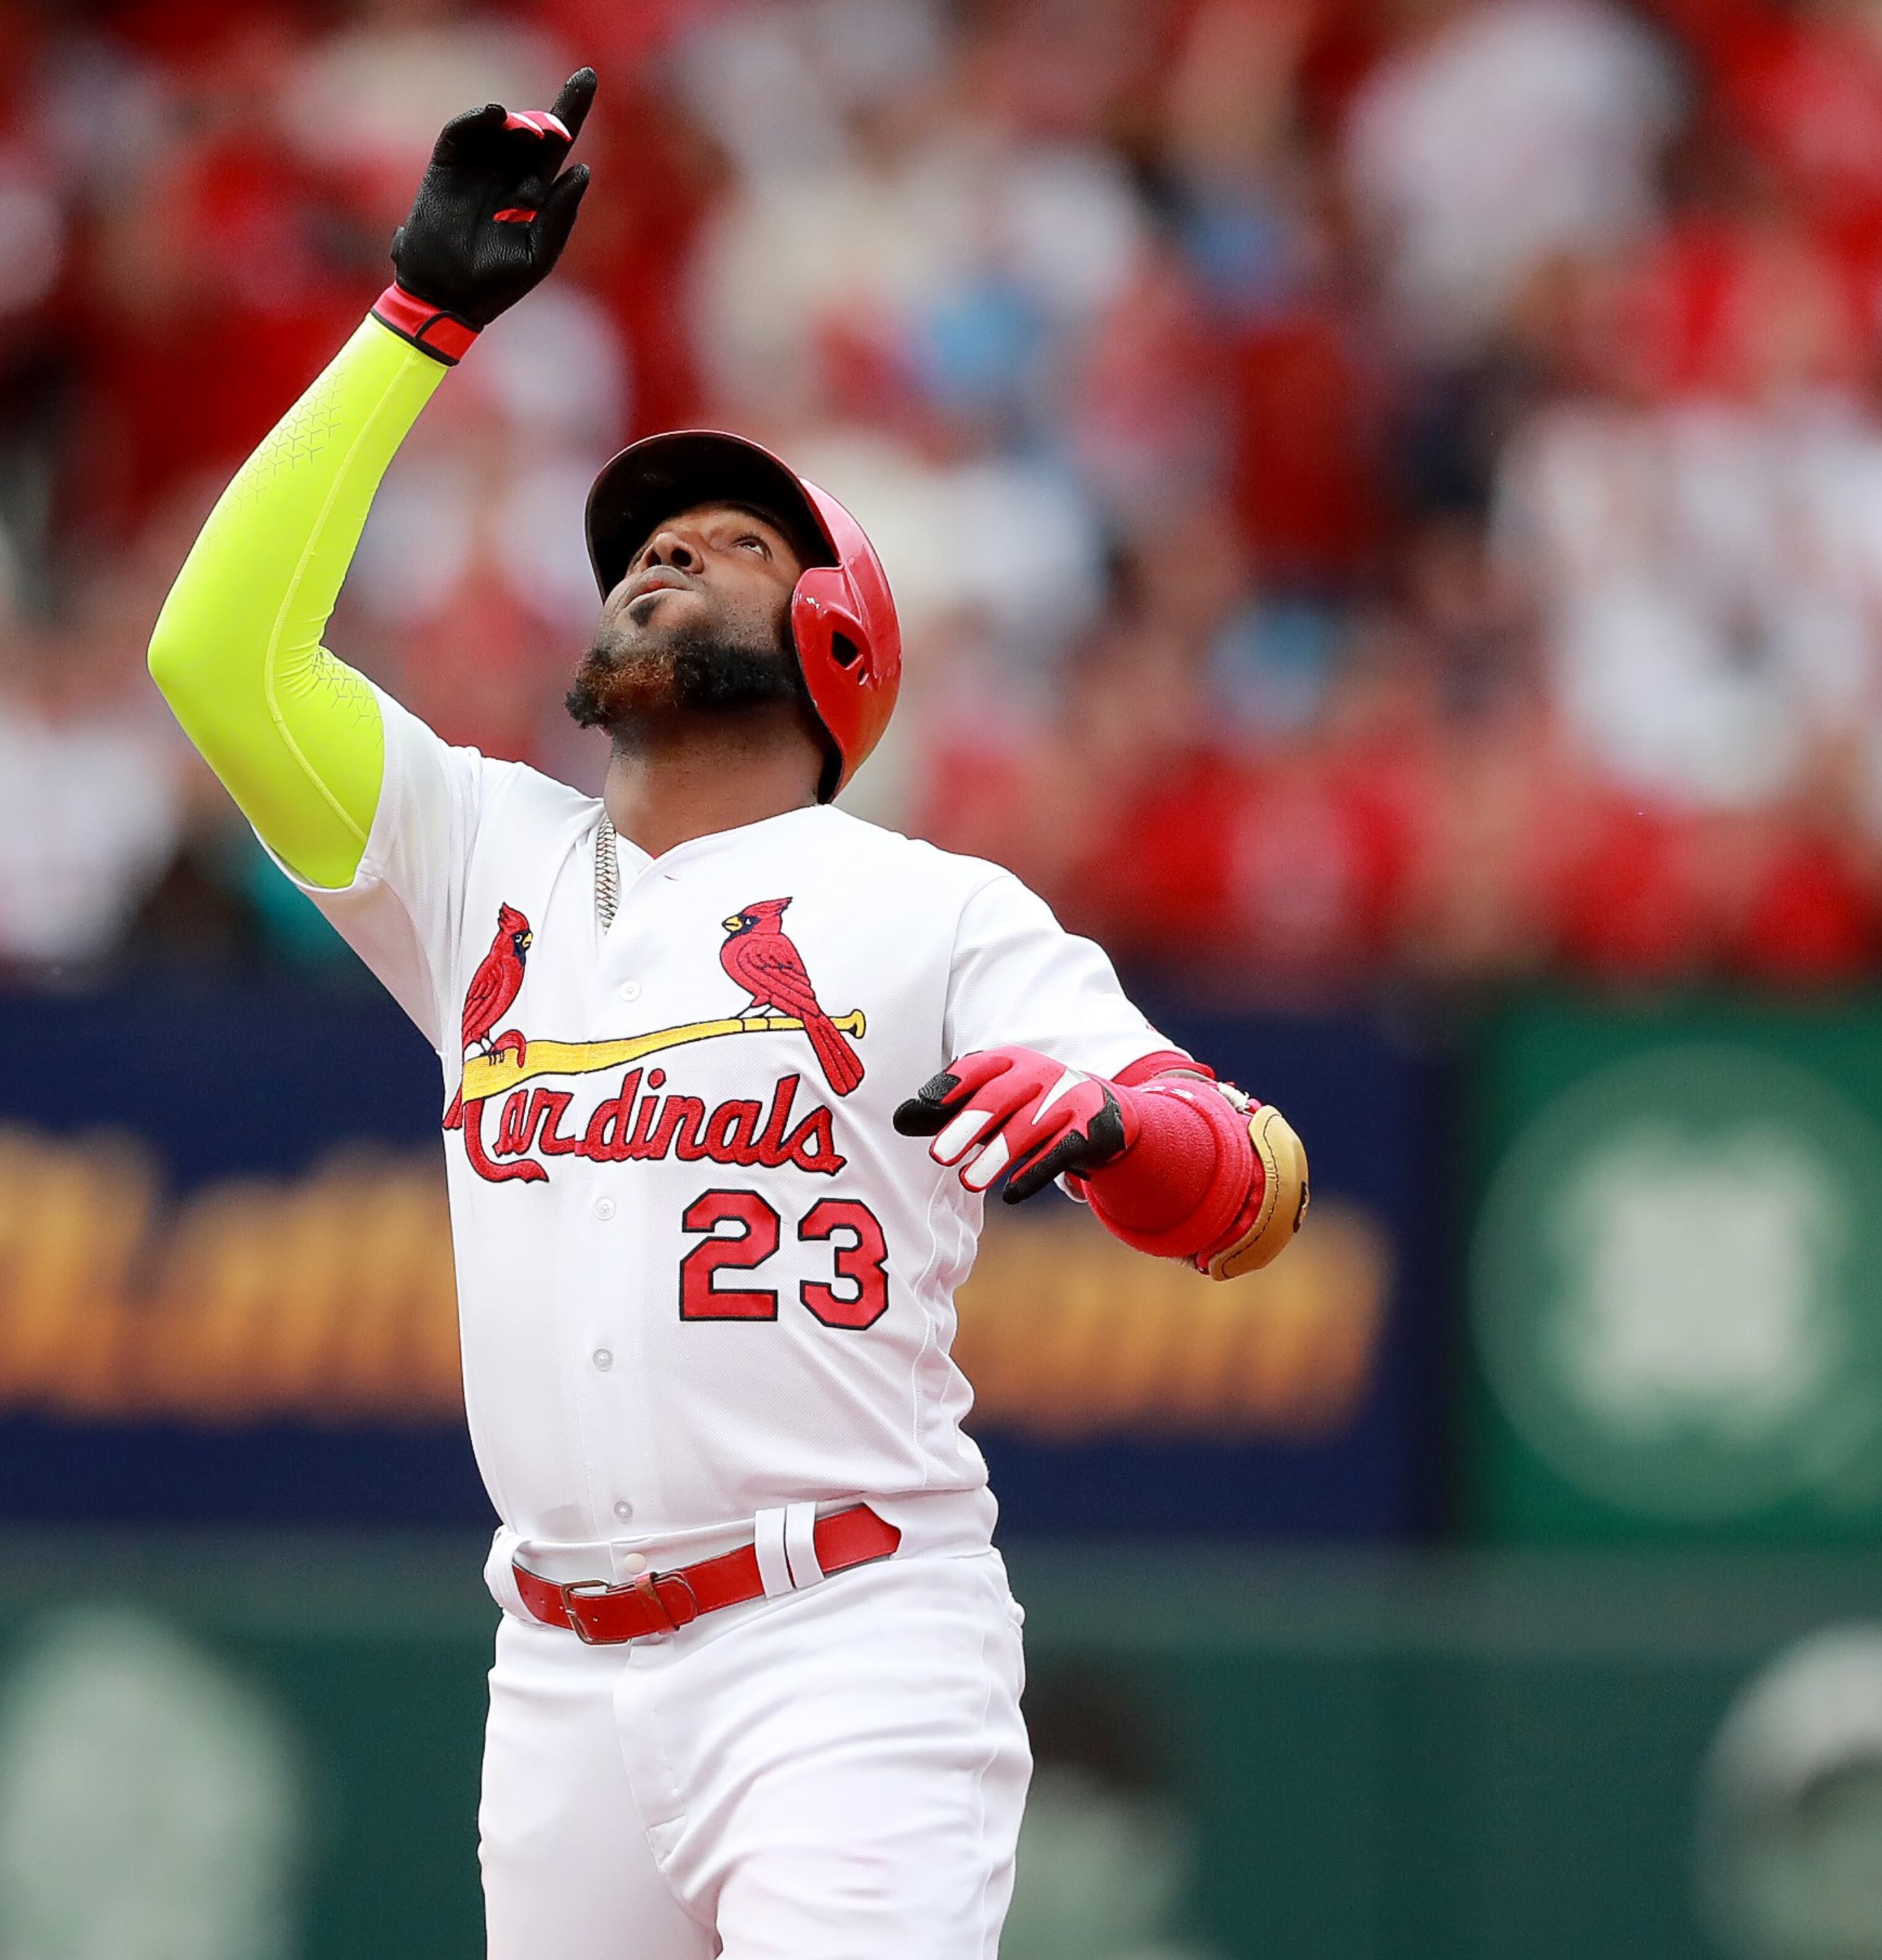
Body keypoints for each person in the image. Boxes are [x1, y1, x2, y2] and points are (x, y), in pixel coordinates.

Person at [149, 69, 1307, 1960]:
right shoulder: (474, 864)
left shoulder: (929, 908)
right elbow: (216, 655)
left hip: (845, 1639)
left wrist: (1120, 1135)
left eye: (734, 543)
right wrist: (412, 325)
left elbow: (1256, 1187)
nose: (665, 550)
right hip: (563, 1675)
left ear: (840, 641)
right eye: (648, 539)